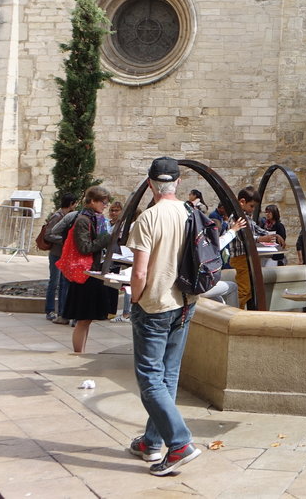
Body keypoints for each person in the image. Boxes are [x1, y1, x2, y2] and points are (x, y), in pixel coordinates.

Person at [125, 156, 202, 476]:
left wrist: (135, 299)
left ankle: (179, 442)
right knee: (168, 375)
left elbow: (139, 272)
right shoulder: (190, 212)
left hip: (155, 305)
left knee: (149, 379)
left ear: (149, 184)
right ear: (178, 183)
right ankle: (152, 441)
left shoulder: (147, 219)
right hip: (185, 302)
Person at [60, 186, 119, 354]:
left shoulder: (95, 219)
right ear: (92, 201)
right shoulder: (83, 220)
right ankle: (78, 353)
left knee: (87, 320)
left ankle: (81, 351)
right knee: (83, 319)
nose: (105, 206)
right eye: (103, 202)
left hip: (92, 273)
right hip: (84, 275)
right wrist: (106, 239)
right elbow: (84, 247)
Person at [227, 186, 277, 309]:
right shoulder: (236, 217)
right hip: (240, 258)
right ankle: (234, 313)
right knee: (244, 290)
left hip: (246, 257)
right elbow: (241, 236)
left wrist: (270, 234)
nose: (253, 209)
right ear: (242, 202)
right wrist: (260, 239)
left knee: (248, 289)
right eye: (251, 206)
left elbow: (255, 228)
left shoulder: (246, 217)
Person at [43, 192, 78, 323]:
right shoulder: (57, 216)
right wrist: (65, 240)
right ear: (71, 204)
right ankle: (50, 310)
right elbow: (48, 235)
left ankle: (61, 311)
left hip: (64, 255)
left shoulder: (68, 216)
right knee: (54, 282)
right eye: (75, 203)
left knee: (63, 284)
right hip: (56, 254)